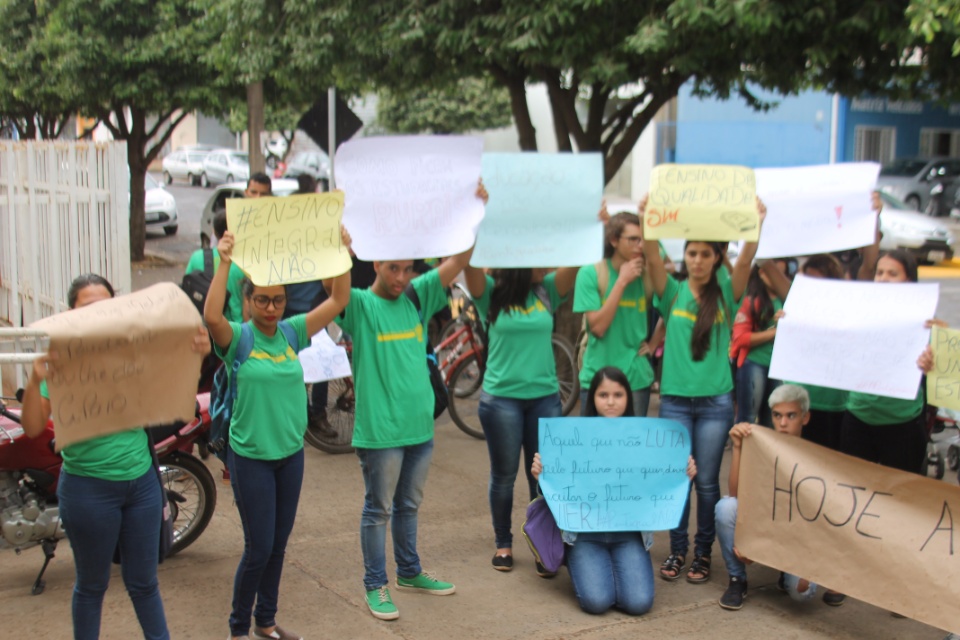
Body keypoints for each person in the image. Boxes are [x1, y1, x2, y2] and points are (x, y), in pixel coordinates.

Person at [20, 273, 210, 640]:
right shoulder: (61, 360)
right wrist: (34, 379)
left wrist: (192, 361)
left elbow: (182, 407)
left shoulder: (137, 353)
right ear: (70, 313)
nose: (100, 314)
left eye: (107, 305)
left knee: (144, 583)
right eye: (88, 307)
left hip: (141, 486)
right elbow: (31, 427)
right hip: (88, 492)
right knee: (91, 587)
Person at [340, 183, 487, 621]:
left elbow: (459, 260)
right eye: (393, 269)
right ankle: (375, 585)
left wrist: (476, 209)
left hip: (419, 427)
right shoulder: (360, 306)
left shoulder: (418, 297)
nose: (402, 277)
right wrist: (339, 250)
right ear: (375, 265)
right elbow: (336, 292)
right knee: (378, 509)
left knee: (408, 505)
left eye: (407, 268)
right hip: (380, 433)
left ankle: (409, 571)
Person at [205, 228, 352, 640]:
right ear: (248, 300)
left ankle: (265, 622)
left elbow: (339, 299)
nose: (271, 307)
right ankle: (238, 630)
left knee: (278, 547)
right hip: (250, 456)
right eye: (262, 299)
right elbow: (212, 316)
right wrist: (224, 262)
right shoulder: (239, 338)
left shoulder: (292, 332)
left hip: (291, 455)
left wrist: (341, 252)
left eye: (278, 300)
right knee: (258, 549)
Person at [642, 196, 765, 585]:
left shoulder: (727, 292)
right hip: (675, 402)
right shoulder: (672, 292)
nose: (697, 260)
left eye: (705, 254)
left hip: (714, 403)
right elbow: (649, 253)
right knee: (679, 477)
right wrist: (650, 218)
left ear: (716, 258)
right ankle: (677, 550)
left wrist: (755, 225)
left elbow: (745, 262)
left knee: (708, 482)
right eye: (691, 253)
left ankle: (702, 554)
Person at [530, 367, 696, 615]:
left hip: (629, 534)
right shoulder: (572, 438)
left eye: (618, 395)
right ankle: (579, 562)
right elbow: (556, 492)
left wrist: (682, 473)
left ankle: (607, 570)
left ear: (628, 397)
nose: (610, 402)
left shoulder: (646, 438)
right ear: (592, 398)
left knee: (639, 603)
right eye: (603, 395)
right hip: (584, 535)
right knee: (596, 602)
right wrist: (541, 475)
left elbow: (659, 480)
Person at [464, 259, 579, 572]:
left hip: (544, 399)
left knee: (543, 476)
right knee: (504, 476)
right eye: (539, 259)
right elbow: (468, 262)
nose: (547, 264)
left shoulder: (548, 290)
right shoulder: (490, 292)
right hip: (501, 401)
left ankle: (545, 546)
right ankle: (504, 543)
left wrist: (594, 222)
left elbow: (577, 257)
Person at [716, 384, 843, 610]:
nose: (783, 423)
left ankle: (787, 573)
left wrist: (769, 551)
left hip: (798, 540)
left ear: (805, 418)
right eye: (777, 415)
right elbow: (737, 494)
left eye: (791, 416)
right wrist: (737, 447)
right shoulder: (762, 447)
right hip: (766, 526)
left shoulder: (816, 457)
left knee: (801, 592)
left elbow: (816, 522)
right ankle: (737, 579)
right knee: (726, 507)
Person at [840, 249, 935, 474]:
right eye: (879, 272)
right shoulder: (857, 313)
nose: (883, 279)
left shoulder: (925, 322)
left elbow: (940, 371)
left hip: (902, 422)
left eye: (892, 274)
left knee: (901, 496)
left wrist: (930, 365)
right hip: (858, 417)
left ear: (909, 281)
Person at [574, 211, 656, 418]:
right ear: (613, 241)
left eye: (642, 239)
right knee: (591, 446)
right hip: (597, 377)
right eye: (633, 240)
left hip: (636, 379)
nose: (640, 245)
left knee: (632, 447)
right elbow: (598, 327)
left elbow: (672, 306)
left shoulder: (647, 275)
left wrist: (654, 343)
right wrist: (621, 281)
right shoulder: (591, 273)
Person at [730, 261, 787, 427]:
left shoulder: (787, 300)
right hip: (754, 365)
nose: (779, 279)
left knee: (771, 421)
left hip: (778, 368)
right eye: (776, 274)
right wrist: (774, 333)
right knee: (747, 419)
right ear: (762, 273)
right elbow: (739, 338)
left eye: (783, 275)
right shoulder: (750, 300)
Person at [185, 211, 245, 322]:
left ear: (214, 232)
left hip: (203, 323)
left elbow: (186, 288)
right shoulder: (244, 262)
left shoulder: (197, 256)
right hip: (235, 326)